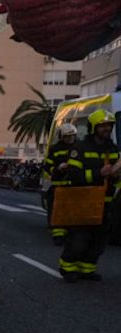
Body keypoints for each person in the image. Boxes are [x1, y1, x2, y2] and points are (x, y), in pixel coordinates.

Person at [61, 109, 118, 282]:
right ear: (93, 127)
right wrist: (98, 173)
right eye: (102, 126)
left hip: (105, 202)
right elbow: (73, 174)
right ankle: (68, 268)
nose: (106, 129)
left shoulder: (113, 149)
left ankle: (88, 269)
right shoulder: (80, 148)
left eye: (109, 126)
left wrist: (116, 175)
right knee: (79, 238)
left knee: (99, 240)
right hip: (83, 200)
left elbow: (115, 175)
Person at [43, 123, 78, 246]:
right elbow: (47, 166)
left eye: (72, 136)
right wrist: (58, 168)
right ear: (61, 137)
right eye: (67, 137)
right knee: (57, 211)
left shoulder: (79, 148)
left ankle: (71, 233)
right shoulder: (55, 149)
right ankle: (58, 235)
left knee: (73, 211)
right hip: (58, 185)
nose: (70, 139)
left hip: (74, 186)